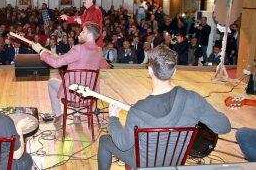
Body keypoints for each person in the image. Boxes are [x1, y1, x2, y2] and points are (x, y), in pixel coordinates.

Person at [97, 45, 231, 169]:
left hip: (144, 165)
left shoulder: (137, 110)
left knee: (104, 141)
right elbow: (224, 127)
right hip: (175, 162)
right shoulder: (193, 99)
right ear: (174, 72)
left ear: (149, 71)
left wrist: (113, 119)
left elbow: (123, 143)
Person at [31, 23, 108, 124]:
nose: (80, 33)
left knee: (51, 82)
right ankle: (77, 114)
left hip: (73, 94)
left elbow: (56, 63)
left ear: (89, 35)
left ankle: (58, 114)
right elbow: (104, 65)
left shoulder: (78, 48)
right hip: (89, 95)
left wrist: (41, 51)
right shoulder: (98, 51)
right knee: (81, 82)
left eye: (83, 31)